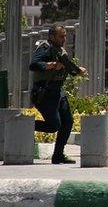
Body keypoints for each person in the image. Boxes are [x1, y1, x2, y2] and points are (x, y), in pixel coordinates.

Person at [28, 24, 87, 164]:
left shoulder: (61, 51)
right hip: (44, 92)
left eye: (65, 36)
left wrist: (78, 70)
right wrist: (52, 65)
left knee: (68, 122)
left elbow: (69, 68)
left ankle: (58, 155)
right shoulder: (45, 47)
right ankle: (24, 125)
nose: (64, 39)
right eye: (61, 36)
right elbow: (34, 65)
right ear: (52, 36)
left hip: (57, 92)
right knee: (54, 125)